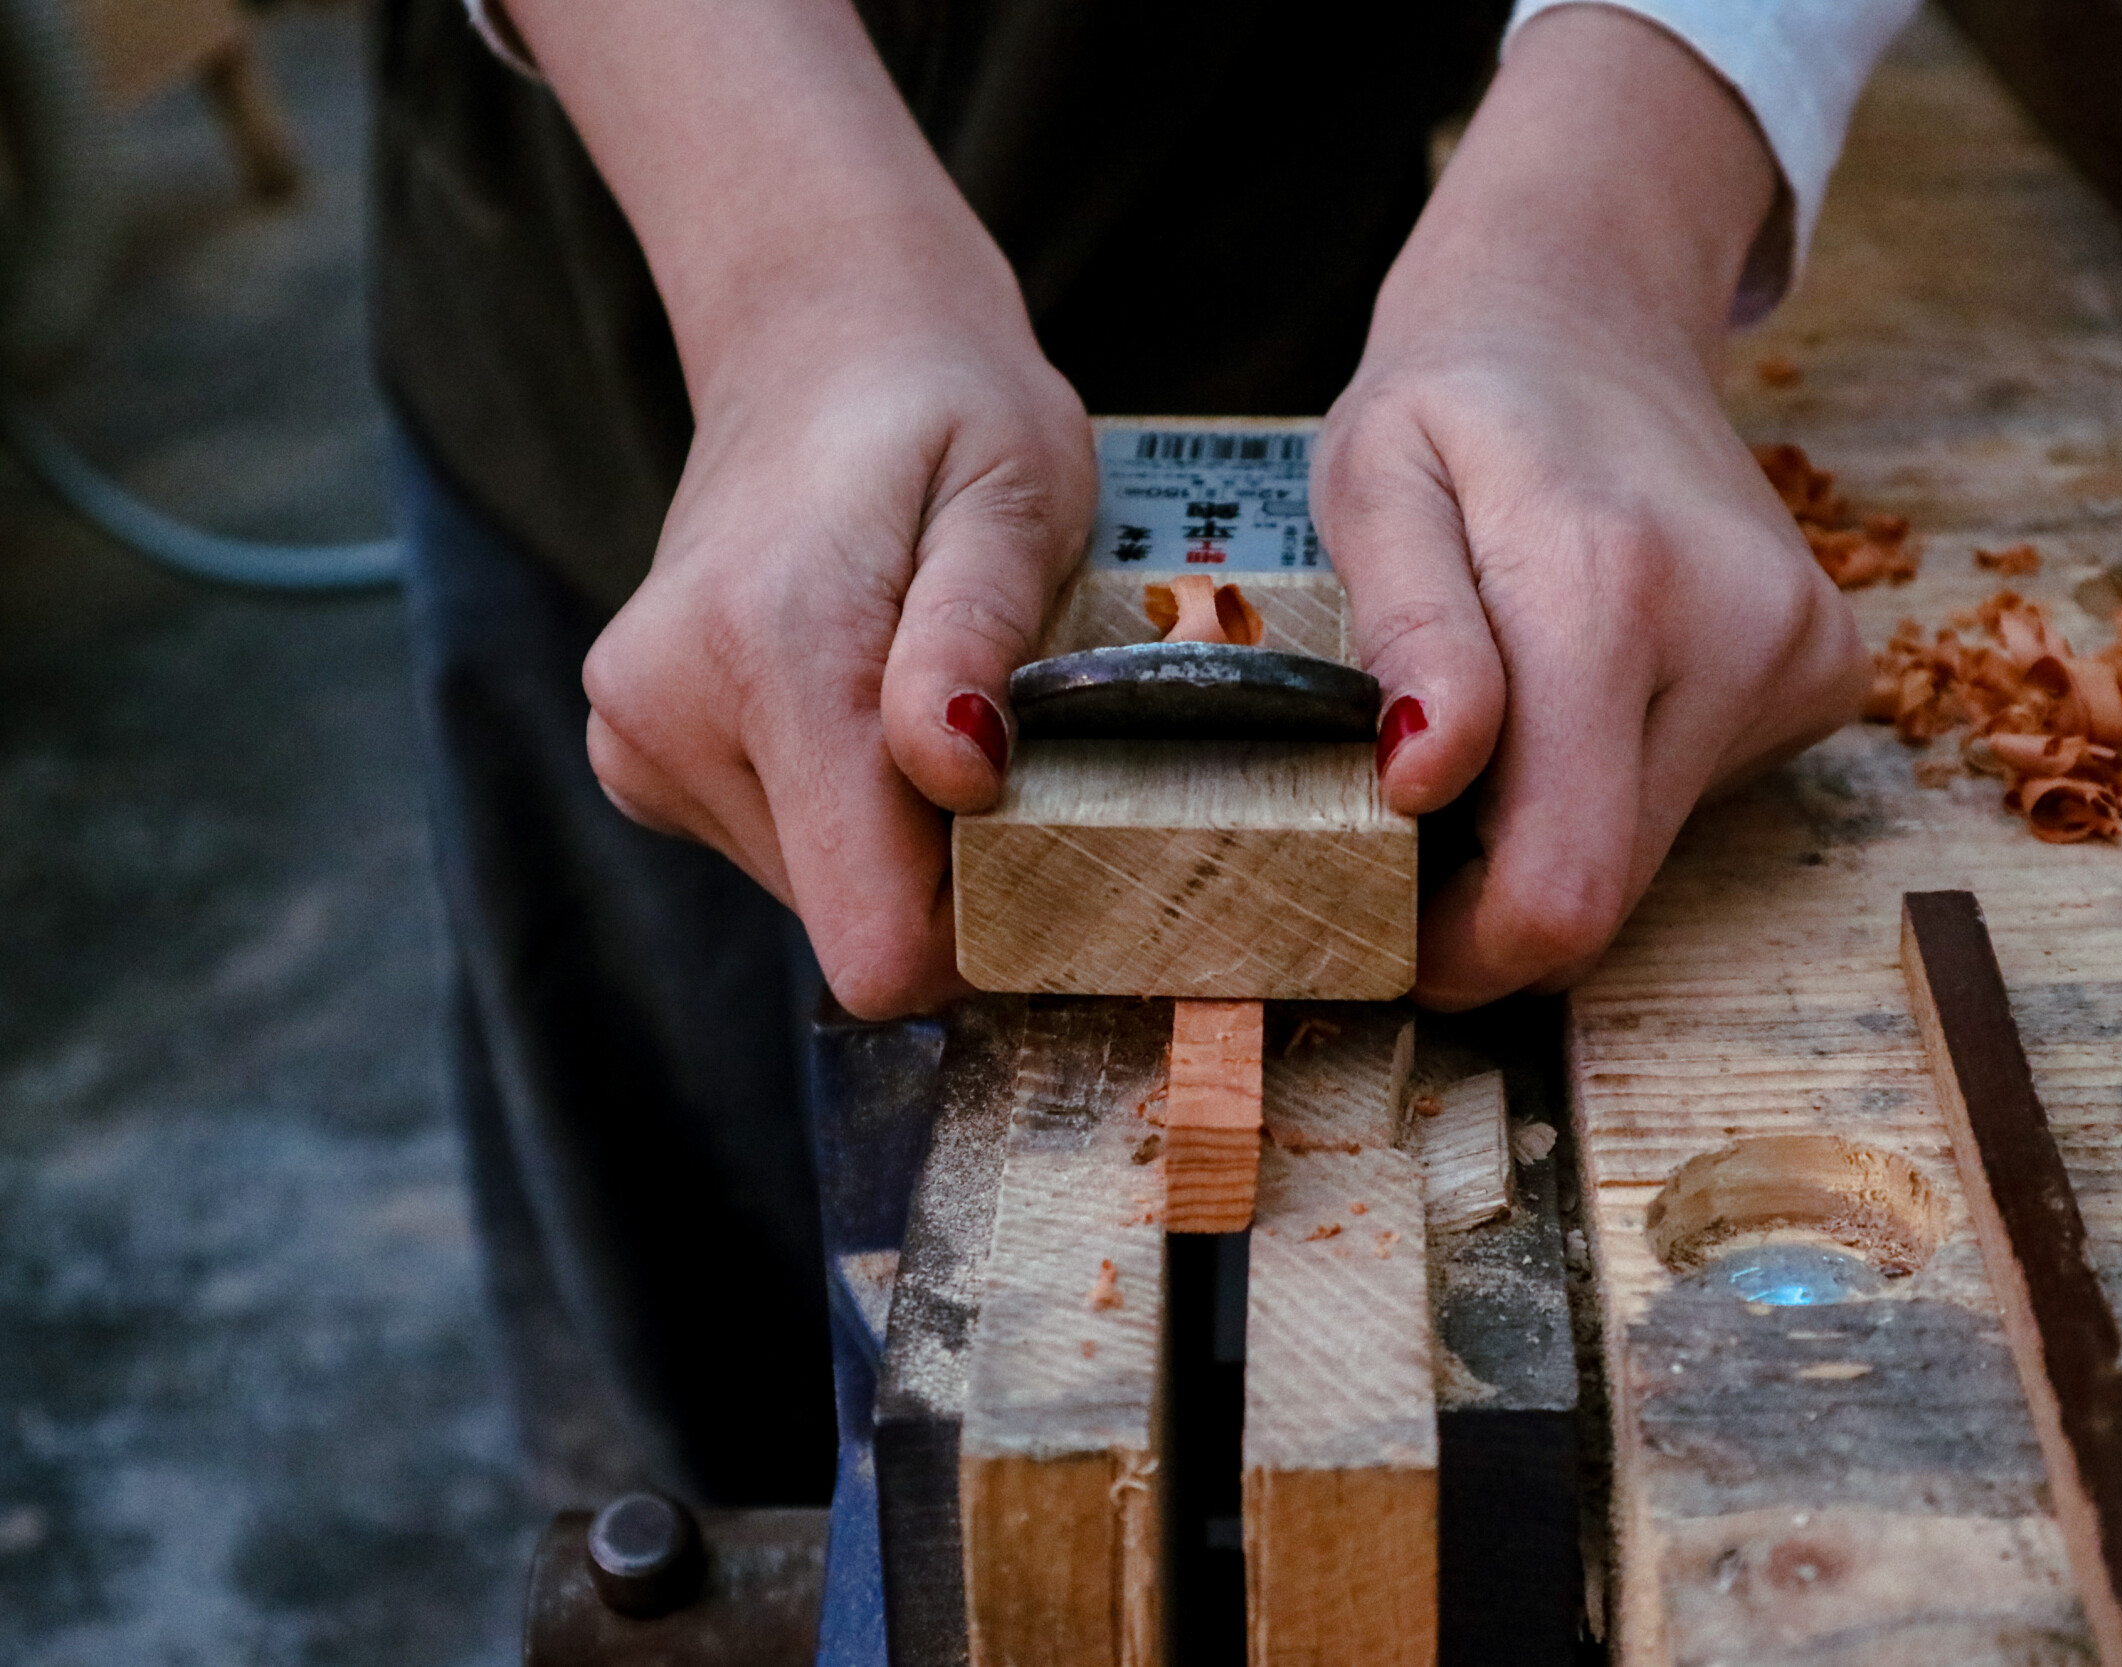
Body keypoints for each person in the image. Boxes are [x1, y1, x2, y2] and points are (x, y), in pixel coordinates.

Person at [372, 0, 1914, 1505]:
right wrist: (792, 278)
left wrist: (1598, 237)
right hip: (631, 261)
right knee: (724, 1347)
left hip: (1304, 215)